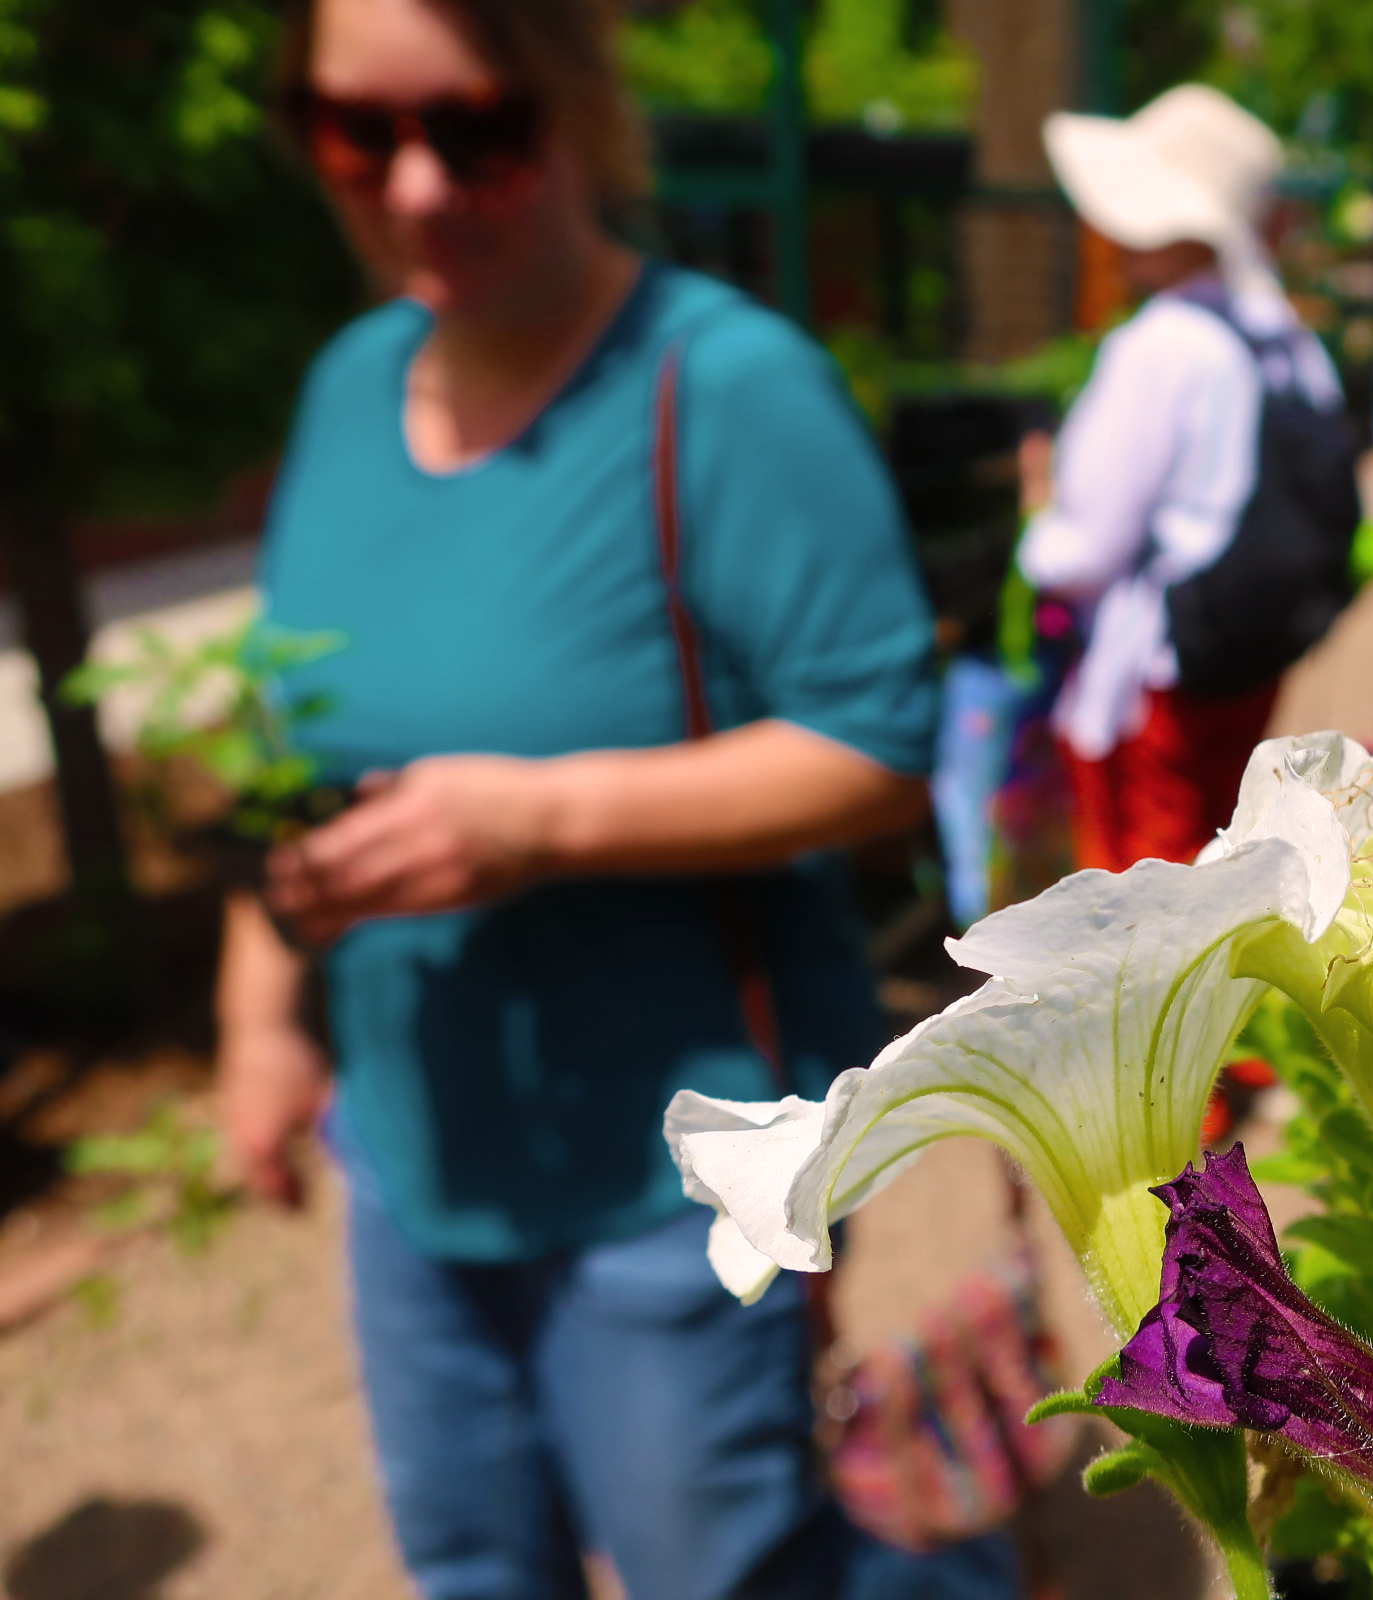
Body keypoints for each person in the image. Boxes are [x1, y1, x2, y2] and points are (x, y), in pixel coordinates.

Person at [221, 2, 1014, 1596]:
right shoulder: (344, 386)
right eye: (359, 134)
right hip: (411, 1144)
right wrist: (262, 1017)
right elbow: (285, 755)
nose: (421, 186)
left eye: (478, 128)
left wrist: (536, 821)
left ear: (573, 103)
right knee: (470, 1563)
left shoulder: (720, 386)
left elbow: (878, 744)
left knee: (719, 1565)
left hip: (680, 1169)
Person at [1015, 85, 1351, 872]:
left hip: (1157, 672)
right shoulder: (1287, 339)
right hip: (1247, 655)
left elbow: (1088, 551)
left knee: (1144, 901)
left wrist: (1038, 521)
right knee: (1217, 864)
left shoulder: (1159, 346)